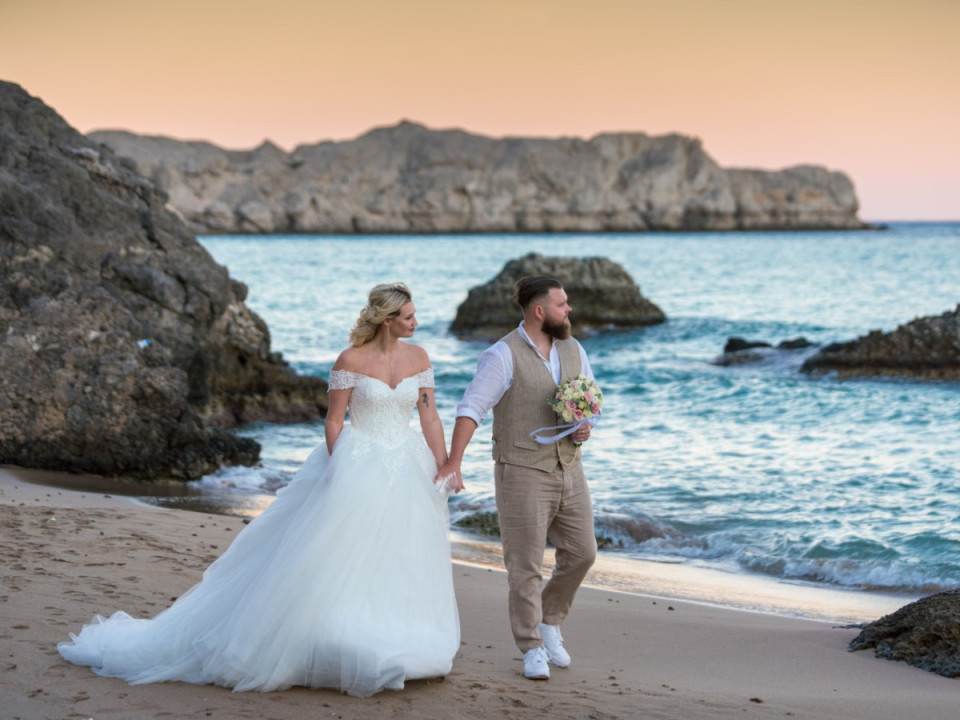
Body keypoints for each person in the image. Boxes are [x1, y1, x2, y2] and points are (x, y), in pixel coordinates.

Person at [58, 282, 460, 698]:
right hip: (357, 462)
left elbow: (428, 416)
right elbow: (334, 421)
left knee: (400, 550)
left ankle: (401, 633)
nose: (417, 322)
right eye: (409, 316)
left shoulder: (420, 358)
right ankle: (338, 637)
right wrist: (341, 464)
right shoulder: (351, 359)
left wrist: (446, 462)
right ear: (387, 320)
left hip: (407, 463)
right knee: (338, 553)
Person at [436, 275, 598, 681]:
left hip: (570, 467)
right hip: (521, 471)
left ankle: (550, 621)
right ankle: (531, 646)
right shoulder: (501, 355)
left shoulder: (573, 348)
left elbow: (588, 402)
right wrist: (454, 462)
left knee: (583, 553)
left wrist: (584, 426)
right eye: (562, 304)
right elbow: (471, 408)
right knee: (525, 565)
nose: (569, 310)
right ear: (539, 311)